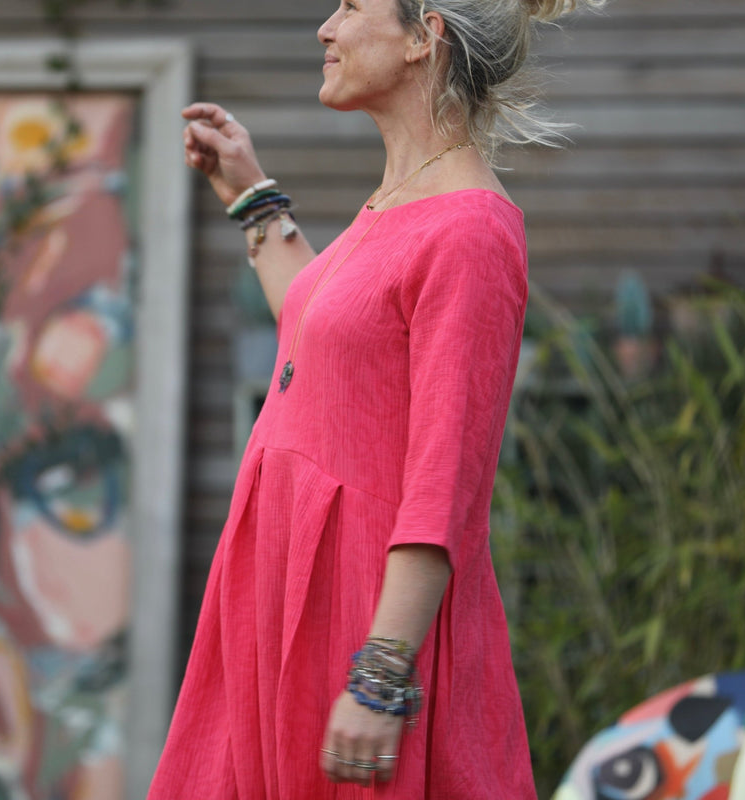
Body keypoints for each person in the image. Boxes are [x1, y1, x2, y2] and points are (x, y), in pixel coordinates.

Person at [148, 0, 603, 797]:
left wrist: (382, 673)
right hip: (280, 587)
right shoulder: (396, 202)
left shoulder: (470, 230)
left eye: (352, 6)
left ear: (426, 35)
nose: (326, 27)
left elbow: (445, 483)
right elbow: (316, 332)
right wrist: (250, 195)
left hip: (355, 606)